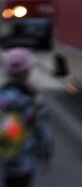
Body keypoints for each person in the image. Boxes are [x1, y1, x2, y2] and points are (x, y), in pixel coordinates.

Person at [0, 48, 54, 187]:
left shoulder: (2, 96)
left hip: (5, 158)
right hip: (24, 159)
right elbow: (42, 129)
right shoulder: (33, 98)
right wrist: (46, 154)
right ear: (27, 72)